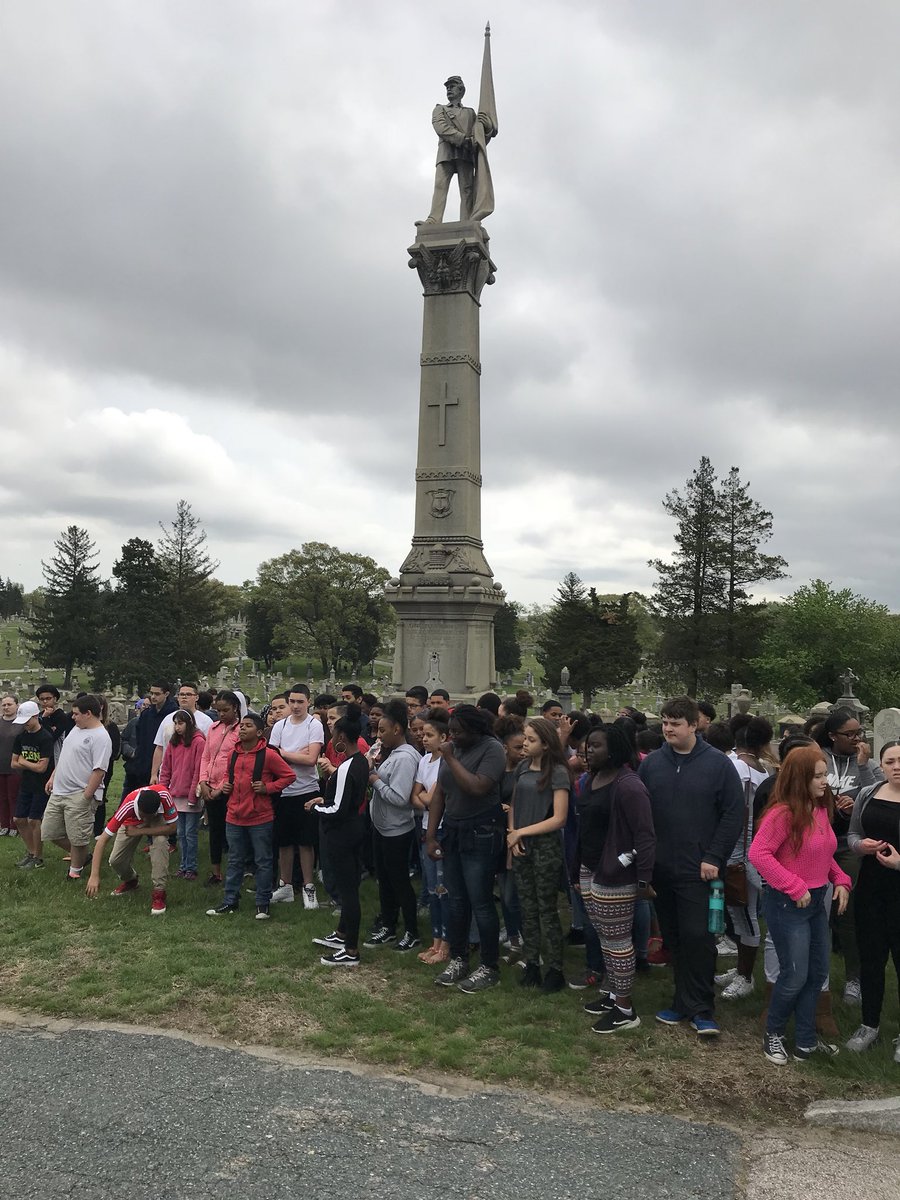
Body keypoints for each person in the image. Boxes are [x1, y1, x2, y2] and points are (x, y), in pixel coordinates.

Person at [638, 696, 743, 1037]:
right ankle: (681, 1001)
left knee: (699, 936)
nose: (668, 728)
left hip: (699, 869)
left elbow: (733, 814)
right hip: (661, 867)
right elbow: (640, 813)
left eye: (675, 723)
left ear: (694, 724)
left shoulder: (717, 764)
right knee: (675, 937)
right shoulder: (653, 764)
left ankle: (702, 1008)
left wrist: (714, 856)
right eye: (665, 722)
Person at [749, 744, 852, 1064]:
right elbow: (758, 854)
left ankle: (806, 1041)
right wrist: (792, 886)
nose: (826, 782)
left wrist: (841, 880)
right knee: (794, 974)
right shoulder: (783, 813)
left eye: (825, 775)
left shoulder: (819, 808)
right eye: (818, 776)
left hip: (816, 900)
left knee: (816, 972)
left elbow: (823, 854)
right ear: (800, 778)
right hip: (787, 904)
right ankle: (774, 1034)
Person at [577, 724, 655, 1033]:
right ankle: (613, 993)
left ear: (615, 750)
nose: (588, 751)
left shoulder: (630, 785)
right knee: (605, 936)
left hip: (617, 872)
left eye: (595, 746)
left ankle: (625, 1009)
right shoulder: (593, 778)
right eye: (587, 745)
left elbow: (646, 835)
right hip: (590, 867)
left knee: (618, 941)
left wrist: (643, 879)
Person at [425, 705, 507, 994]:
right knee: (456, 900)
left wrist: (448, 755)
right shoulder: (455, 749)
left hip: (482, 831)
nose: (453, 736)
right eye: (451, 732)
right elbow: (440, 794)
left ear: (475, 729)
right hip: (454, 830)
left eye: (458, 732)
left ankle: (488, 965)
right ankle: (459, 958)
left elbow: (477, 786)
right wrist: (432, 835)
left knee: (481, 902)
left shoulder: (492, 750)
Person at [815, 708, 880, 1006]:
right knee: (817, 909)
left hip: (848, 844)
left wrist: (864, 767)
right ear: (832, 736)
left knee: (847, 911)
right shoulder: (819, 759)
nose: (857, 739)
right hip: (816, 843)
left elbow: (879, 794)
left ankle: (854, 977)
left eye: (859, 733)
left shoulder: (867, 762)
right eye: (850, 734)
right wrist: (830, 803)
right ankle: (817, 975)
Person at [207, 713, 295, 919]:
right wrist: (226, 786)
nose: (242, 729)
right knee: (235, 860)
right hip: (234, 816)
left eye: (248, 726)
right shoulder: (233, 754)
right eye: (242, 726)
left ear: (259, 731)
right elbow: (231, 776)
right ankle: (230, 900)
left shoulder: (268, 755)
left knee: (263, 861)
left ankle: (263, 903)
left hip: (260, 817)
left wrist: (268, 787)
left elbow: (289, 776)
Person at [845, 740, 900, 1059]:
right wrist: (859, 847)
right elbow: (852, 835)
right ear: (881, 764)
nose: (896, 766)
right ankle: (869, 1025)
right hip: (871, 890)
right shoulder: (868, 794)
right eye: (890, 760)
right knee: (871, 960)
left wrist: (898, 864)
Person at [508, 717, 570, 993]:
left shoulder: (557, 771)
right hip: (521, 844)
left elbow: (559, 818)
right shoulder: (522, 767)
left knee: (546, 909)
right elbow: (514, 804)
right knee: (527, 907)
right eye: (525, 737)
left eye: (531, 739)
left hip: (545, 847)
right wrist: (513, 833)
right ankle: (531, 962)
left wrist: (523, 832)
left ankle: (555, 967)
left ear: (546, 744)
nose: (525, 742)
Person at [716, 716, 773, 1001]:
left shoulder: (737, 767)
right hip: (749, 846)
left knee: (745, 913)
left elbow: (728, 809)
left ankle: (746, 976)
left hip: (740, 848)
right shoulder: (763, 769)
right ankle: (740, 968)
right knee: (739, 912)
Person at [309, 706, 370, 966]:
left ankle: (351, 950)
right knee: (351, 885)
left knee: (348, 891)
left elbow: (337, 808)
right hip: (355, 828)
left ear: (342, 737)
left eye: (333, 733)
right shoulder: (360, 762)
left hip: (343, 833)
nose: (331, 738)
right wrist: (327, 799)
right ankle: (342, 932)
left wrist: (316, 807)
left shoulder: (346, 767)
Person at [364, 700, 421, 951]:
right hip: (381, 827)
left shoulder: (406, 758)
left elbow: (400, 798)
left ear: (397, 729)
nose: (379, 736)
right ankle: (388, 924)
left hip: (397, 830)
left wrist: (374, 779)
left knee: (399, 881)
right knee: (384, 880)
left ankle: (412, 931)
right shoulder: (391, 754)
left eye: (383, 731)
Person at [41, 694, 112, 881]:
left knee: (78, 837)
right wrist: (53, 777)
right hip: (59, 791)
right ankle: (85, 855)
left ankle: (75, 871)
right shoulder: (76, 729)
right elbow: (65, 756)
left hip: (79, 794)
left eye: (76, 714)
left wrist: (87, 796)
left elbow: (99, 770)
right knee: (50, 832)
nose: (72, 717)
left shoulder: (101, 736)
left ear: (88, 714)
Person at [268, 684, 325, 908]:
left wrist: (283, 754)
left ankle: (308, 887)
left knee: (305, 841)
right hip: (283, 790)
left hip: (306, 789)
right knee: (283, 841)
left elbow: (311, 759)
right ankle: (286, 886)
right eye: (292, 701)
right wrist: (293, 755)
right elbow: (271, 758)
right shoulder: (280, 725)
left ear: (308, 702)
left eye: (300, 701)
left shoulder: (314, 725)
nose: (295, 706)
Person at [85, 784, 178, 914]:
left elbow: (172, 828)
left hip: (158, 819)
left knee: (161, 842)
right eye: (143, 816)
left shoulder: (164, 796)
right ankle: (131, 881)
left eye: (149, 816)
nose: (146, 819)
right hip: (130, 823)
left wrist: (141, 831)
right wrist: (94, 876)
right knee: (116, 860)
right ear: (137, 808)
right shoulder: (127, 806)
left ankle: (159, 892)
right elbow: (102, 841)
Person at [420, 76, 494, 224]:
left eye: (452, 86)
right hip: (446, 151)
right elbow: (441, 127)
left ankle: (466, 220)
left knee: (467, 190)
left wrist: (488, 127)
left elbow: (478, 139)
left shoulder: (470, 113)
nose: (449, 89)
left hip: (465, 153)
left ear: (461, 90)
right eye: (447, 86)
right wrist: (462, 139)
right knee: (440, 185)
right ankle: (434, 219)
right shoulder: (440, 109)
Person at [413, 709, 452, 964]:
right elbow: (415, 797)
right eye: (423, 735)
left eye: (430, 735)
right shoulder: (423, 760)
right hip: (426, 827)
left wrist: (427, 797)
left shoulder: (447, 763)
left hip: (441, 828)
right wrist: (427, 798)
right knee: (430, 885)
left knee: (442, 888)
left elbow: (436, 797)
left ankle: (446, 944)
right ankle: (435, 940)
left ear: (444, 737)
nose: (424, 739)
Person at [197, 690, 242, 886]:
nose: (222, 714)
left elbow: (237, 761)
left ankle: (237, 871)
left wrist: (222, 787)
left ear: (235, 709)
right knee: (215, 830)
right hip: (210, 785)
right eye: (219, 710)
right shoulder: (213, 728)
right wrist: (203, 782)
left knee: (233, 832)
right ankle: (216, 872)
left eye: (226, 710)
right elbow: (206, 756)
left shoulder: (241, 730)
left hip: (229, 788)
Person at [159, 709, 206, 879]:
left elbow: (198, 770)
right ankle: (183, 865)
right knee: (180, 833)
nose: (178, 727)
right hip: (176, 794)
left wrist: (194, 795)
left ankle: (191, 867)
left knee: (190, 833)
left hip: (190, 795)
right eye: (176, 723)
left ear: (189, 723)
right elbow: (166, 768)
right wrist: (162, 792)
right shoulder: (173, 743)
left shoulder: (198, 742)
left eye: (181, 723)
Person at [11, 700, 54, 867]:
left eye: (27, 721)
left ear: (35, 716)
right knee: (19, 819)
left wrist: (24, 761)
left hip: (41, 784)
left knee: (34, 820)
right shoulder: (21, 737)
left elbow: (42, 768)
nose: (25, 725)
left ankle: (38, 857)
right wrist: (28, 764)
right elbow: (13, 763)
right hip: (26, 783)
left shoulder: (45, 737)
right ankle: (30, 852)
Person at [149, 683, 214, 785]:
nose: (184, 697)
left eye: (188, 694)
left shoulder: (206, 721)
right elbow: (159, 747)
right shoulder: (167, 719)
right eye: (181, 694)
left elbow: (209, 752)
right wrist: (153, 774)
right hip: (168, 775)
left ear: (196, 697)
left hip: (192, 776)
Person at [132, 681, 177, 790]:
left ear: (166, 694)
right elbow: (140, 739)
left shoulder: (174, 714)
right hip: (143, 763)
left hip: (163, 764)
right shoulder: (146, 714)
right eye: (152, 693)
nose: (153, 697)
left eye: (157, 694)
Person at [35, 684, 73, 764]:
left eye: (48, 698)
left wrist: (45, 719)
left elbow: (51, 737)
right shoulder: (39, 716)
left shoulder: (61, 716)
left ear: (55, 699)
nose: (45, 701)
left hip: (55, 755)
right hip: (39, 754)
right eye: (42, 699)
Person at [0, 693, 20, 835]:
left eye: (9, 704)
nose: (6, 707)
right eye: (4, 705)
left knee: (13, 796)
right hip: (0, 765)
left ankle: (14, 825)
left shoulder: (21, 723)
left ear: (17, 706)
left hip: (15, 767)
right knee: (2, 797)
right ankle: (4, 824)